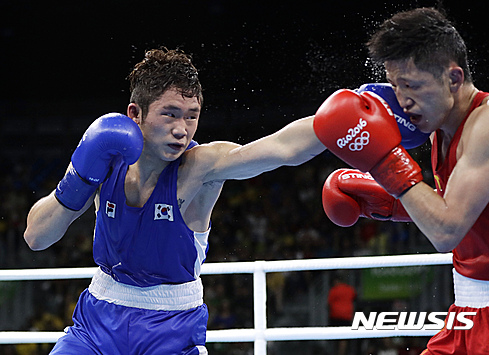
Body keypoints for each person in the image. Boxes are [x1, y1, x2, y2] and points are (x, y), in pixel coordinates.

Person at [23, 47, 326, 354]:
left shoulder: (199, 167)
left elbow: (283, 147)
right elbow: (35, 237)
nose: (181, 130)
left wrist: (345, 114)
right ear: (135, 114)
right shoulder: (107, 158)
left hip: (173, 327)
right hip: (98, 319)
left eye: (191, 116)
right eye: (169, 114)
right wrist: (78, 180)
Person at [314, 7, 489, 355]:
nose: (402, 101)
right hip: (469, 313)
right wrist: (392, 207)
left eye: (411, 85)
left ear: (454, 79)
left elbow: (447, 231)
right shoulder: (439, 128)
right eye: (395, 85)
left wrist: (386, 163)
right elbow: (464, 210)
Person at [327, 274, 356, 355]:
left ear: (336, 281)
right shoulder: (350, 289)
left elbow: (328, 304)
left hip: (336, 316)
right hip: (346, 316)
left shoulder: (334, 290)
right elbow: (354, 297)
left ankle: (338, 353)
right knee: (343, 338)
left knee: (336, 337)